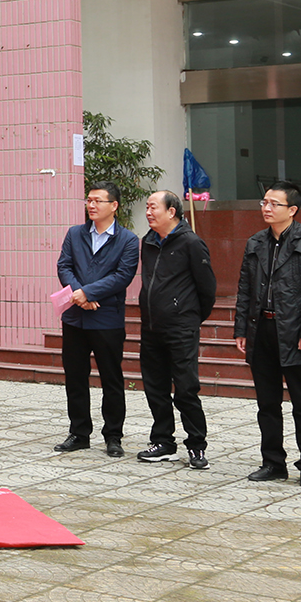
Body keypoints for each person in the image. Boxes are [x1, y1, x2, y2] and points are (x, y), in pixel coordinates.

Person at [232, 186, 301, 488]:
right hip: (262, 329)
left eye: (275, 203)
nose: (267, 207)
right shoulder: (255, 243)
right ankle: (273, 462)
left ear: (292, 210)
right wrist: (241, 330)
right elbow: (245, 290)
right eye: (264, 202)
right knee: (267, 402)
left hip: (296, 332)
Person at [54, 182, 140, 458]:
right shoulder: (75, 234)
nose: (91, 205)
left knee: (111, 379)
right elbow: (64, 265)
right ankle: (79, 433)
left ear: (113, 206)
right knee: (75, 377)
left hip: (107, 320)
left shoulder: (127, 240)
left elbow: (122, 276)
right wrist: (79, 295)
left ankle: (113, 436)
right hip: (75, 319)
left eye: (97, 201)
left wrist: (86, 292)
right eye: (88, 200)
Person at [136, 190, 217, 470]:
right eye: (146, 207)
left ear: (171, 212)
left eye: (153, 207)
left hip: (181, 327)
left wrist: (188, 316)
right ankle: (163, 443)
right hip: (151, 327)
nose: (148, 212)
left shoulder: (191, 243)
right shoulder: (147, 242)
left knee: (185, 388)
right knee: (155, 387)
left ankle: (196, 445)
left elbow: (207, 289)